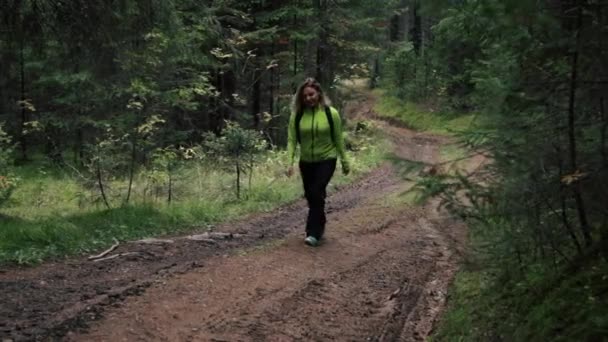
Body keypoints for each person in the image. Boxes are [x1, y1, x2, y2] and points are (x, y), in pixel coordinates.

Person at [286, 78, 350, 247]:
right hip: (306, 161)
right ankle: (320, 224)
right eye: (305, 96)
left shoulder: (331, 113)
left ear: (319, 94)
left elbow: (338, 138)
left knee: (316, 191)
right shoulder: (297, 115)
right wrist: (289, 162)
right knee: (312, 196)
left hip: (327, 159)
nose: (308, 98)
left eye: (311, 94)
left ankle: (313, 232)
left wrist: (344, 161)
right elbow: (292, 140)